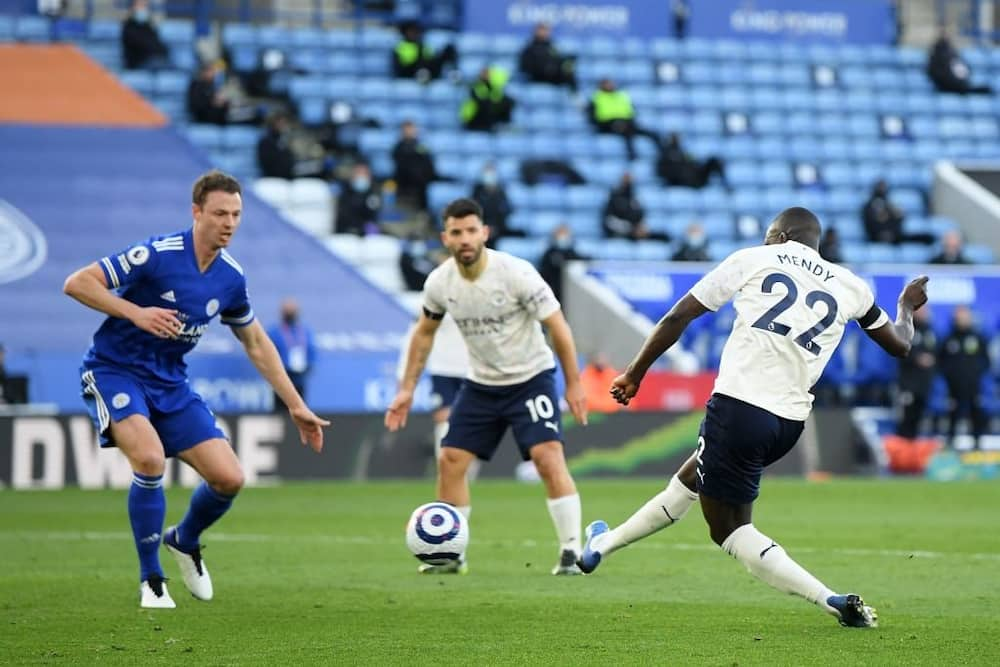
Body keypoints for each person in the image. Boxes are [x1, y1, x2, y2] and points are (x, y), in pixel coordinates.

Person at [576, 206, 929, 629]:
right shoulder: (851, 285)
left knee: (728, 530)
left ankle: (831, 599)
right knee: (694, 478)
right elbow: (900, 344)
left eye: (768, 236)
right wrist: (906, 306)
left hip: (740, 408)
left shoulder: (754, 259)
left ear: (780, 236)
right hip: (788, 426)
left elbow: (679, 316)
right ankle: (602, 544)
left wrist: (634, 373)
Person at [62, 170, 329, 609]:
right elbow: (77, 282)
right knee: (148, 458)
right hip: (115, 371)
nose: (229, 222)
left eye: (237, 214)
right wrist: (136, 312)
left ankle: (184, 540)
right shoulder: (157, 253)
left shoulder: (230, 278)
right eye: (220, 213)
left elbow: (256, 341)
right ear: (197, 212)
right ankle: (152, 579)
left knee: (230, 478)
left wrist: (296, 405)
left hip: (170, 382)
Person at [385, 198, 589, 576]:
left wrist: (573, 384)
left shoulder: (516, 273)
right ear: (445, 237)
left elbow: (558, 325)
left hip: (531, 378)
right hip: (481, 384)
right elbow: (423, 334)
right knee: (450, 461)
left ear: (484, 233)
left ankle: (570, 551)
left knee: (547, 456)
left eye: (471, 230)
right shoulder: (439, 283)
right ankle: (450, 554)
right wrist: (406, 388)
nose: (465, 239)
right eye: (456, 232)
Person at [397, 312, 470, 474]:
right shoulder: (435, 293)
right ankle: (445, 471)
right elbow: (416, 333)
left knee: (473, 423)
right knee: (444, 419)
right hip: (442, 369)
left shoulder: (480, 293)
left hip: (474, 369)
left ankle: (467, 474)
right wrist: (403, 376)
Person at [938, 305, 990, 450]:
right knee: (953, 416)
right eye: (960, 316)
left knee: (976, 415)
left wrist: (975, 373)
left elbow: (986, 360)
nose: (963, 319)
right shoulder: (949, 339)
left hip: (973, 386)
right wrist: (950, 375)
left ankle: (977, 445)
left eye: (965, 316)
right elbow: (940, 361)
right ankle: (949, 446)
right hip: (953, 387)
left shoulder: (977, 338)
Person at [588, 78, 662, 161]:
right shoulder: (597, 98)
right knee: (626, 132)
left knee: (652, 134)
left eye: (611, 83)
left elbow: (631, 112)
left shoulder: (622, 95)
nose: (610, 86)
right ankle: (632, 156)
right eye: (607, 84)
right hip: (608, 125)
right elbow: (593, 117)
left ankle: (662, 154)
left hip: (627, 123)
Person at [266, 298, 316, 411]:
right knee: (280, 412)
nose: (290, 314)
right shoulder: (274, 332)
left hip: (300, 378)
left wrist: (308, 367)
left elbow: (311, 352)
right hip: (281, 379)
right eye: (287, 311)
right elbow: (267, 354)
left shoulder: (305, 331)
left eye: (292, 311)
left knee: (301, 410)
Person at [896, 306, 936, 440]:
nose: (924, 313)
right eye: (920, 309)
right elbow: (897, 351)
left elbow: (938, 353)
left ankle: (913, 453)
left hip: (924, 385)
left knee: (918, 419)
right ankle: (901, 452)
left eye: (925, 309)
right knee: (906, 419)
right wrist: (917, 358)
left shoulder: (930, 332)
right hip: (908, 384)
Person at [602, 172, 670, 242]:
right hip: (622, 234)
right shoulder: (614, 198)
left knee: (662, 237)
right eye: (627, 179)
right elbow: (610, 221)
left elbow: (640, 215)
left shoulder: (634, 197)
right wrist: (630, 229)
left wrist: (640, 227)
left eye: (630, 180)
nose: (629, 182)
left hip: (635, 232)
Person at [187, 61, 256, 126]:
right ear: (205, 72)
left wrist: (221, 102)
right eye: (211, 71)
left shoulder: (209, 84)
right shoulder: (196, 85)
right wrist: (216, 102)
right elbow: (200, 106)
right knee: (251, 116)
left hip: (221, 114)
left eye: (213, 71)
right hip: (207, 118)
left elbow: (217, 100)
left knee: (251, 113)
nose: (214, 74)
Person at [392, 120, 439, 214]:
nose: (410, 132)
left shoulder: (421, 146)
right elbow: (400, 164)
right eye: (407, 129)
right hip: (404, 185)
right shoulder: (398, 148)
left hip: (421, 186)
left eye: (411, 129)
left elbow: (428, 163)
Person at [927, 31, 992, 95]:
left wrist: (962, 75)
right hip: (947, 87)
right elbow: (934, 74)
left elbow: (965, 70)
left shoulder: (954, 55)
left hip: (960, 84)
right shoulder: (936, 57)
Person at [518, 23, 577, 91]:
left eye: (546, 30)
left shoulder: (551, 46)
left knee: (568, 71)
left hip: (553, 76)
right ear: (535, 31)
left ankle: (575, 96)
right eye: (541, 29)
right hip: (537, 77)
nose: (544, 32)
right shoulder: (529, 47)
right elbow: (524, 67)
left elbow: (558, 59)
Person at [471, 162, 518, 247]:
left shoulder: (501, 191)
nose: (489, 176)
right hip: (481, 227)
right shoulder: (477, 191)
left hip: (498, 229)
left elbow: (507, 210)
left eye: (491, 173)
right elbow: (472, 210)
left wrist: (495, 227)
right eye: (486, 173)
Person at [392, 21, 457, 82]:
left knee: (448, 49)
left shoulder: (422, 45)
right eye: (411, 31)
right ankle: (423, 74)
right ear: (405, 33)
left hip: (428, 68)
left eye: (415, 31)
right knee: (421, 61)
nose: (413, 34)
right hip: (410, 72)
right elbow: (400, 67)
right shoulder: (400, 47)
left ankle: (453, 74)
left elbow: (431, 58)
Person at [539, 223, 587, 305]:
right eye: (560, 234)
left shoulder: (572, 252)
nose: (563, 237)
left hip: (570, 291)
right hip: (554, 290)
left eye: (565, 234)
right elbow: (544, 272)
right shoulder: (549, 253)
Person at [656, 133, 726, 189]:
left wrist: (690, 160)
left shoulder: (681, 152)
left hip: (697, 177)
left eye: (677, 139)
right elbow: (664, 173)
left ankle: (725, 185)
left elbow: (693, 161)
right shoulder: (665, 153)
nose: (676, 141)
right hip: (685, 181)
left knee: (713, 161)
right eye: (674, 139)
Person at [461, 67, 515, 132]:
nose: (483, 75)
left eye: (487, 73)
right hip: (474, 123)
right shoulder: (476, 88)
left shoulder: (502, 97)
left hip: (490, 126)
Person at [335, 163, 381, 236]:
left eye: (364, 174)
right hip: (345, 231)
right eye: (358, 173)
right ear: (352, 176)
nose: (361, 177)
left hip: (366, 233)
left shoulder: (373, 193)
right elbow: (342, 215)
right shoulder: (345, 191)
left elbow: (373, 214)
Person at [121, 0, 169, 70]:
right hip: (137, 64)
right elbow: (143, 46)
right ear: (132, 7)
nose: (143, 9)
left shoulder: (148, 25)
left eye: (145, 6)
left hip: (152, 60)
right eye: (140, 5)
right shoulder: (128, 27)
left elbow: (158, 44)